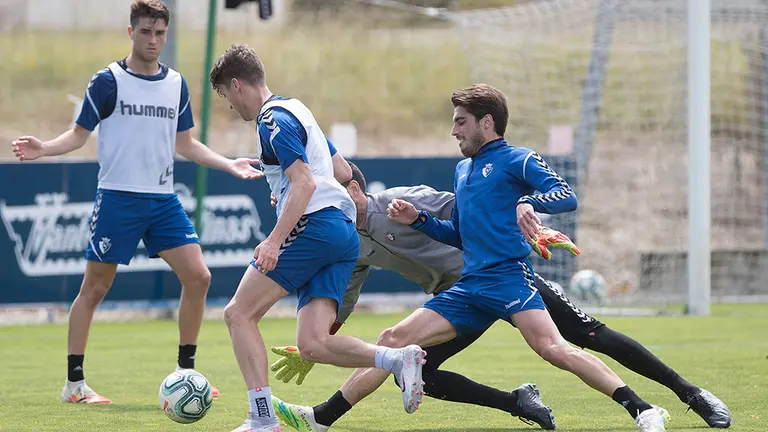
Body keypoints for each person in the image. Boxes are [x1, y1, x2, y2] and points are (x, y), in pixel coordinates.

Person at [266, 83, 670, 432]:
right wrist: (419, 219)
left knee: (556, 348)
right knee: (393, 343)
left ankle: (644, 409)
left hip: (507, 277)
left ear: (486, 122)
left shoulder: (516, 159)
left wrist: (529, 209)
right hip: (467, 287)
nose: (453, 129)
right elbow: (459, 229)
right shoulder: (461, 172)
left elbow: (565, 195)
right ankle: (322, 418)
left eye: (460, 121)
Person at [270, 162, 731, 431]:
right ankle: (518, 403)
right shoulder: (349, 244)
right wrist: (321, 340)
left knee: (589, 335)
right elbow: (344, 297)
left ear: (353, 188)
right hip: (461, 297)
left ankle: (688, 394)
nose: (322, 204)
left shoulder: (404, 199)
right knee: (407, 363)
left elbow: (471, 209)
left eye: (330, 194)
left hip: (500, 274)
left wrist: (528, 226)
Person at [11, 0, 263, 405]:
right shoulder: (108, 81)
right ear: (131, 32)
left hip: (162, 200)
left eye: (160, 33)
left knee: (199, 277)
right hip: (117, 198)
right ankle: (74, 384)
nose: (153, 40)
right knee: (95, 287)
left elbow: (186, 144)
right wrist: (44, 148)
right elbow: (77, 135)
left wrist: (228, 164)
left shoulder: (175, 83)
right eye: (146, 32)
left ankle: (187, 372)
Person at [208, 43, 426, 432]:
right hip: (342, 234)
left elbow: (305, 184)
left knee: (238, 313)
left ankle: (262, 419)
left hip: (315, 226)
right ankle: (398, 359)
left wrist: (274, 240)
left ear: (238, 85)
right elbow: (342, 170)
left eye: (227, 97)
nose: (231, 107)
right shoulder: (298, 109)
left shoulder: (270, 119)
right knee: (313, 343)